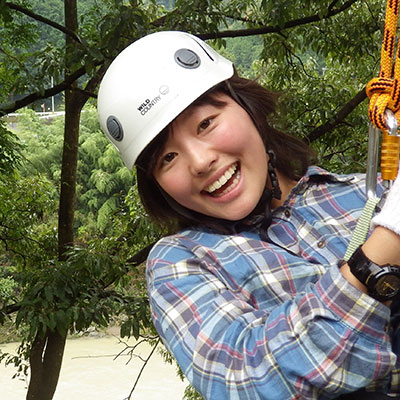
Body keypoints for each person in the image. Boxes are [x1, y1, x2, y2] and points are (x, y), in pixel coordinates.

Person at [97, 31, 400, 399]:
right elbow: (245, 379)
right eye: (168, 158)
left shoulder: (369, 193)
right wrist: (383, 249)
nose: (200, 161)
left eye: (206, 123)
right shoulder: (182, 263)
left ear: (247, 106)